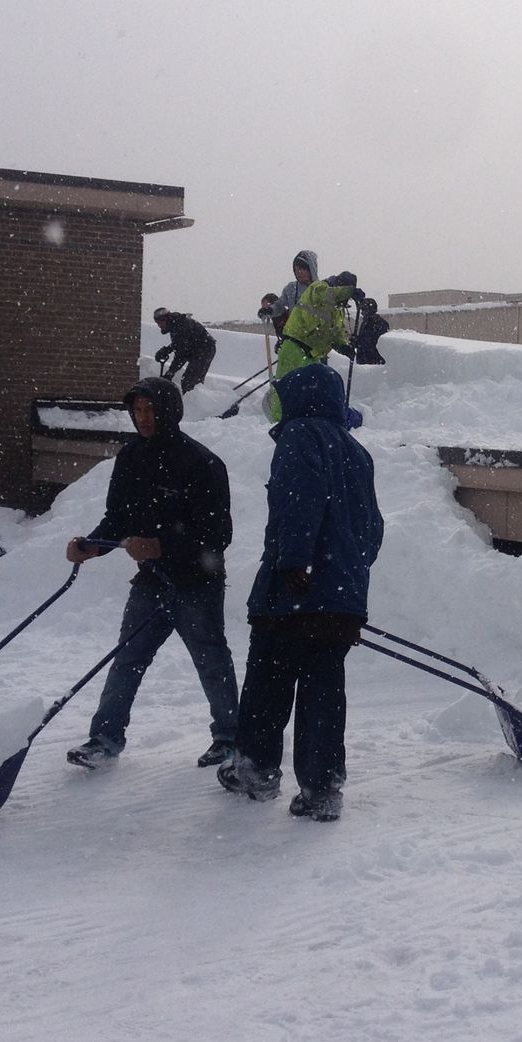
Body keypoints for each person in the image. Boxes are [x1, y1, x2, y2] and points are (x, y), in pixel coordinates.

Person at [220, 363, 384, 821]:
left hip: (293, 592)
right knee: (324, 692)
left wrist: (295, 561)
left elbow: (300, 498)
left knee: (268, 684)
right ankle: (322, 788)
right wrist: (349, 573)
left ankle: (255, 771)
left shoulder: (300, 436)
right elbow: (372, 530)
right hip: (339, 598)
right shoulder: (357, 452)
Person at [64, 376, 239, 769]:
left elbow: (218, 534)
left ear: (169, 411)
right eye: (137, 410)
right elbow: (118, 518)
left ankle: (230, 738)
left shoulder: (203, 463)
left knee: (211, 660)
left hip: (197, 582)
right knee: (127, 657)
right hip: (152, 580)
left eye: (150, 410)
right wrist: (93, 546)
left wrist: (163, 545)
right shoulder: (130, 458)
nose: (143, 418)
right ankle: (104, 738)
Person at [271, 249, 363, 421]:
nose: (299, 272)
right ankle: (279, 421)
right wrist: (349, 291)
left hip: (312, 355)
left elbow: (334, 334)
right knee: (286, 386)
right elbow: (330, 294)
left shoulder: (337, 309)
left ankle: (305, 418)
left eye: (303, 268)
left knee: (310, 391)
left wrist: (344, 346)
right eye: (297, 268)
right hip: (294, 348)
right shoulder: (318, 289)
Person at [152, 307, 217, 391]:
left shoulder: (180, 326)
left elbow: (182, 354)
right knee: (189, 380)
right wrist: (167, 350)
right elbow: (178, 344)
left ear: (165, 319)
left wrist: (170, 372)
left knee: (189, 381)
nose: (159, 325)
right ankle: (195, 397)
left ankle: (198, 400)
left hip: (204, 350)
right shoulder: (174, 324)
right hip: (196, 350)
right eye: (157, 323)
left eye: (160, 322)